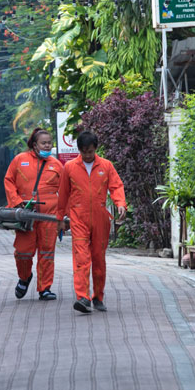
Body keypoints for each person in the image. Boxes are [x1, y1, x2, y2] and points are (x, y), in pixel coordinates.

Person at [57, 131, 126, 313]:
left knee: (98, 259)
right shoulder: (70, 167)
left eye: (91, 151)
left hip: (100, 219)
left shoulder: (106, 166)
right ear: (79, 150)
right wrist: (60, 219)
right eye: (84, 151)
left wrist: (120, 204)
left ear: (96, 148)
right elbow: (63, 195)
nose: (88, 155)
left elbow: (116, 186)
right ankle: (83, 297)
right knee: (81, 258)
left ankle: (98, 297)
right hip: (78, 218)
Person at [3, 128, 63, 300]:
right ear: (34, 145)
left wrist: (64, 216)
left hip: (49, 216)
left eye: (49, 143)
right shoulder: (19, 160)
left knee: (47, 252)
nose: (47, 146)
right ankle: (24, 277)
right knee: (23, 251)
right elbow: (8, 181)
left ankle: (44, 289)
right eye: (44, 143)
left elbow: (65, 191)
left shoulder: (56, 165)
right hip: (25, 214)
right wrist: (15, 203)